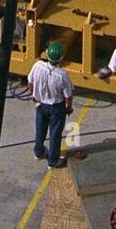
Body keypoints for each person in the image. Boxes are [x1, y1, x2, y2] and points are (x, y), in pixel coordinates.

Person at [27, 41, 73, 170]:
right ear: (61, 58)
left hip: (41, 105)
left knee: (40, 130)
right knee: (55, 134)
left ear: (46, 54)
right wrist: (68, 108)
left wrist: (34, 97)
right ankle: (53, 161)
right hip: (56, 108)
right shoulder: (62, 75)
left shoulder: (37, 66)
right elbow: (68, 95)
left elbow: (30, 82)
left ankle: (39, 152)